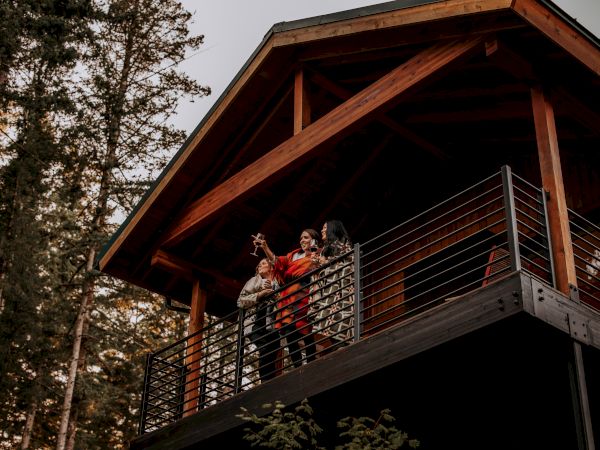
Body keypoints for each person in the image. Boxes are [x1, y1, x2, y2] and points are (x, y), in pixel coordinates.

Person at [254, 229, 320, 368]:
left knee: (306, 330)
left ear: (314, 240)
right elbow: (277, 262)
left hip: (304, 293)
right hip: (288, 296)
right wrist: (265, 247)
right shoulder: (293, 255)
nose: (302, 240)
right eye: (301, 238)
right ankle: (298, 366)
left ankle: (312, 364)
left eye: (306, 238)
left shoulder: (318, 254)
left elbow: (316, 270)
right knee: (289, 332)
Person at [310, 220, 355, 344]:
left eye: (325, 228)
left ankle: (341, 347)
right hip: (328, 292)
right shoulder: (326, 248)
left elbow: (348, 261)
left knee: (339, 322)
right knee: (328, 326)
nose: (322, 230)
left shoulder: (342, 244)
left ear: (332, 229)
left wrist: (326, 262)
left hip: (339, 291)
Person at [237, 258, 280, 382]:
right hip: (254, 321)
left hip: (271, 321)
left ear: (271, 267)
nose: (260, 266)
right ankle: (265, 383)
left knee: (275, 346)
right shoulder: (254, 281)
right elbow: (240, 301)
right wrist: (260, 294)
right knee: (265, 347)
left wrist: (273, 292)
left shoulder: (277, 281)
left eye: (264, 263)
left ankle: (270, 382)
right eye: (259, 264)